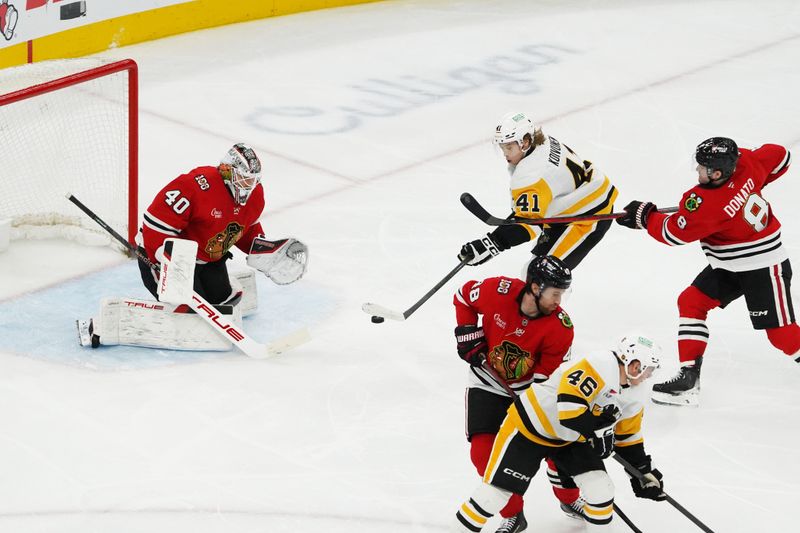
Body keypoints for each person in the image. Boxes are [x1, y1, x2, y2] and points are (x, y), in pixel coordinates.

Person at [615, 137, 796, 406]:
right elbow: (781, 156)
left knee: (781, 335)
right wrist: (753, 185)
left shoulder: (706, 203)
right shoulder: (746, 162)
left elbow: (674, 233)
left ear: (717, 173)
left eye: (702, 167)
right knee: (692, 302)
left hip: (763, 265)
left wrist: (644, 216)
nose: (697, 170)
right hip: (730, 264)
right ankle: (689, 380)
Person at [76, 143, 307, 350]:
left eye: (254, 180)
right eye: (245, 179)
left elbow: (243, 229)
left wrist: (263, 250)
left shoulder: (256, 195)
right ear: (227, 171)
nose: (250, 186)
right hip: (168, 259)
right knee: (192, 315)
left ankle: (200, 294)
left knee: (222, 303)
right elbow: (155, 225)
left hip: (208, 259)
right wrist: (165, 262)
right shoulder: (195, 186)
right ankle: (103, 325)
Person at [453, 333, 666, 532]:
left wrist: (642, 472)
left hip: (569, 439)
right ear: (634, 365)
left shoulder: (636, 392)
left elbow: (628, 436)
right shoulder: (599, 364)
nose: (649, 375)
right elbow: (569, 409)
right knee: (493, 495)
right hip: (529, 429)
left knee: (601, 489)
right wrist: (598, 431)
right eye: (648, 369)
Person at [453, 255, 580, 533]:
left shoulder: (560, 328)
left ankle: (570, 499)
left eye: (562, 294)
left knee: (558, 448)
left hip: (532, 393)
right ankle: (513, 514)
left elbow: (546, 379)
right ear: (535, 287)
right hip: (486, 383)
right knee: (482, 455)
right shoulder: (497, 291)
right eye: (555, 293)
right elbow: (463, 296)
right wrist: (466, 332)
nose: (559, 301)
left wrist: (531, 399)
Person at [458, 111, 618, 270]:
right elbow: (530, 213)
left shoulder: (531, 175)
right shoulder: (543, 142)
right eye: (502, 147)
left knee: (542, 274)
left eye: (509, 147)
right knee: (536, 272)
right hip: (580, 201)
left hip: (587, 218)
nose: (505, 154)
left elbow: (530, 225)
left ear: (525, 142)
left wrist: (491, 244)